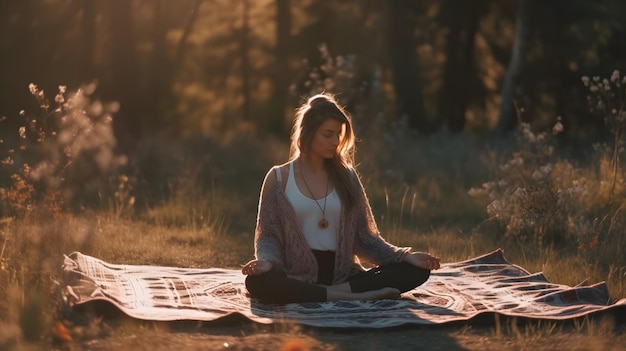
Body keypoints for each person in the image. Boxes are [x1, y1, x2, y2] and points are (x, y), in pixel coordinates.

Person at [241, 93, 440, 304]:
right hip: (296, 275)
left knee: (415, 271)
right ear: (307, 134)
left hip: (344, 275)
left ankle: (331, 292)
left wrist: (404, 256)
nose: (335, 141)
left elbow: (366, 237)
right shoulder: (279, 178)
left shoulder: (348, 177)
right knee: (257, 282)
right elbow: (269, 236)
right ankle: (355, 295)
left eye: (338, 135)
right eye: (327, 135)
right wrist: (268, 262)